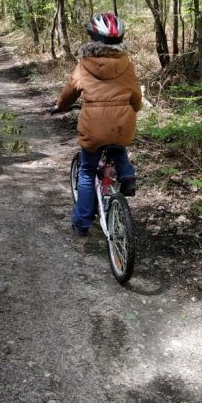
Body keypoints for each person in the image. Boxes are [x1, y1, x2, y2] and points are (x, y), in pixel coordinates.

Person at [52, 12, 142, 235]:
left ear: (91, 38)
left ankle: (82, 222)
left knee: (86, 171)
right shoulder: (126, 65)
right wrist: (135, 109)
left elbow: (69, 93)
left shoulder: (84, 65)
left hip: (94, 127)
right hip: (122, 124)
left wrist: (60, 106)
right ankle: (127, 175)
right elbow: (136, 97)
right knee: (117, 145)